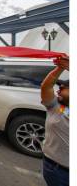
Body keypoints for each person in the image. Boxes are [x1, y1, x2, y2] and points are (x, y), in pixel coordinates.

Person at [40, 54, 69, 186]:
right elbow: (46, 87)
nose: (58, 90)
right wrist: (60, 68)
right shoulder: (58, 108)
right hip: (56, 170)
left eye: (63, 88)